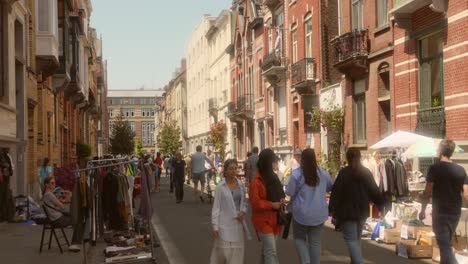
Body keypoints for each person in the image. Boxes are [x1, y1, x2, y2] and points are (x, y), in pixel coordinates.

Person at [329, 148, 383, 264]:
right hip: (362, 211)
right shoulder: (366, 172)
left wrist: (332, 209)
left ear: (347, 158)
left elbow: (336, 192)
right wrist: (381, 205)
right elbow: (374, 191)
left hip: (347, 212)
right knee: (356, 240)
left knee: (351, 241)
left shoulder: (344, 173)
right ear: (360, 158)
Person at [419, 140, 468, 264]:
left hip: (440, 212)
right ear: (451, 152)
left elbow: (427, 192)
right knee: (445, 242)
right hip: (455, 213)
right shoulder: (461, 170)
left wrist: (423, 209)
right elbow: (466, 194)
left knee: (444, 245)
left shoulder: (434, 168)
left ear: (440, 151)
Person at [286, 148, 332, 264]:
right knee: (315, 242)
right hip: (319, 214)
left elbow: (289, 192)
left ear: (302, 159)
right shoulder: (323, 173)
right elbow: (330, 187)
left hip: (300, 214)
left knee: (299, 240)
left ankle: (305, 261)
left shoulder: (297, 174)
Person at [210, 159, 251, 264]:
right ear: (226, 171)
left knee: (237, 255)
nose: (233, 171)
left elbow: (245, 202)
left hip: (237, 224)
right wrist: (215, 226)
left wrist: (243, 212)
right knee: (224, 254)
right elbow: (216, 208)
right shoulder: (220, 187)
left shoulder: (241, 185)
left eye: (235, 168)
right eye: (230, 169)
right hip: (224, 224)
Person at [249, 148, 285, 264]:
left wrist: (282, 201)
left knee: (267, 251)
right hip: (263, 221)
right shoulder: (256, 181)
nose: (275, 163)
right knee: (271, 252)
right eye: (273, 161)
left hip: (276, 220)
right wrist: (271, 205)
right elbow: (255, 202)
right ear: (267, 163)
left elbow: (280, 194)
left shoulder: (274, 177)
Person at [42, 176, 83, 252]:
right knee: (77, 220)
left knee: (74, 216)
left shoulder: (47, 194)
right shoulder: (49, 194)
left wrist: (59, 203)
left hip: (55, 218)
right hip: (57, 219)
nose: (54, 185)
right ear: (46, 185)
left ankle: (75, 243)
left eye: (54, 183)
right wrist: (66, 200)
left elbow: (57, 204)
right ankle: (74, 243)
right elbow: (62, 207)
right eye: (52, 183)